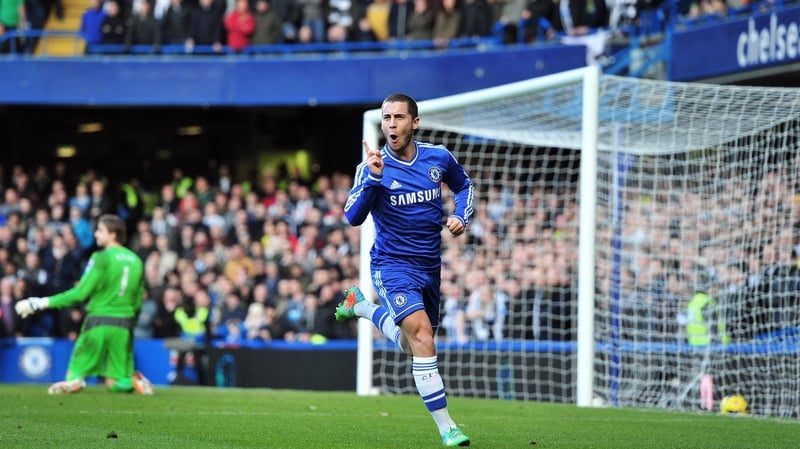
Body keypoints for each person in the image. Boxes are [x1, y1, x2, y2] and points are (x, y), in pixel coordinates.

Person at [336, 93, 474, 447]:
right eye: (386, 118)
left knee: (415, 346)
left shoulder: (438, 158)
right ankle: (448, 428)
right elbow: (352, 217)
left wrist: (461, 215)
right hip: (392, 265)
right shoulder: (371, 166)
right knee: (423, 337)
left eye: (398, 117)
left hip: (430, 266)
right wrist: (373, 179)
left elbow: (464, 186)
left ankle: (362, 307)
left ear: (414, 122)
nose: (391, 124)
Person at [14, 214, 154, 395]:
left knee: (76, 372)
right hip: (124, 323)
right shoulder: (136, 260)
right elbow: (137, 299)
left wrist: (41, 302)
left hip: (99, 321)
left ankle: (75, 381)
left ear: (113, 234)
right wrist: (131, 324)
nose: (96, 234)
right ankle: (133, 381)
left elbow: (81, 293)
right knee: (114, 383)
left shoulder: (101, 258)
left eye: (100, 230)